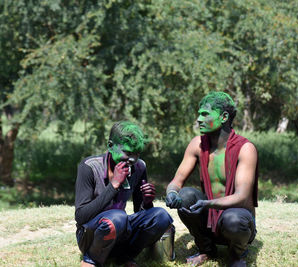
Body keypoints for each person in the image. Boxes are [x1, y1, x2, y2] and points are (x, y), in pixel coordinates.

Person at [165, 92, 258, 267]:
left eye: (205, 114)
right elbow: (176, 181)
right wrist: (171, 193)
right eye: (199, 114)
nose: (199, 119)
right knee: (185, 196)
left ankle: (237, 255)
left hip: (237, 219)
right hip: (210, 219)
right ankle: (206, 249)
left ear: (224, 117)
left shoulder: (245, 148)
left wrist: (207, 203)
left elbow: (242, 196)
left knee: (234, 220)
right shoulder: (197, 144)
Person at [75, 121, 173, 267]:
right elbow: (81, 216)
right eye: (127, 153)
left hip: (120, 230)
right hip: (91, 236)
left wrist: (147, 201)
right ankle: (92, 260)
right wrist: (114, 185)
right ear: (110, 146)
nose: (132, 159)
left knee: (161, 216)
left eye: (137, 154)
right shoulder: (89, 167)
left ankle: (124, 256)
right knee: (118, 217)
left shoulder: (139, 167)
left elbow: (140, 214)